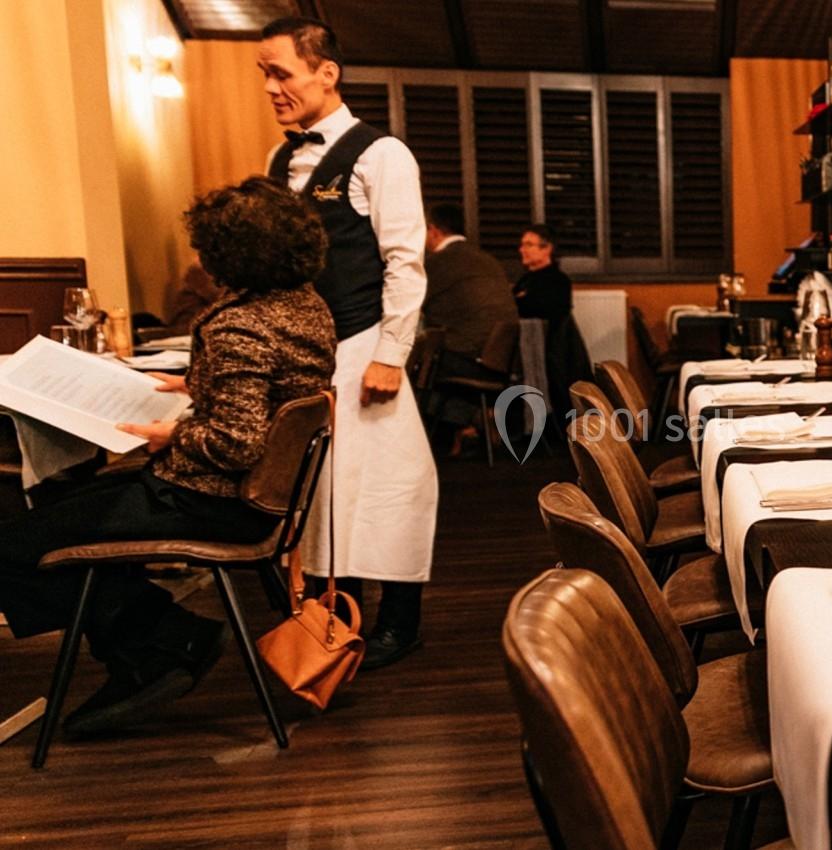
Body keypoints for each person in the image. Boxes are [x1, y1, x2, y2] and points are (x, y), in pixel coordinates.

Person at [0, 177, 337, 735]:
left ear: (230, 253)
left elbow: (236, 442)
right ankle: (155, 636)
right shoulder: (304, 304)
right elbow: (271, 389)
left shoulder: (240, 325)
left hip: (210, 499)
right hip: (240, 496)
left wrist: (168, 437)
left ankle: (162, 640)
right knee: (63, 506)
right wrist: (194, 383)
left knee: (14, 547)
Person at [259, 16, 437, 669]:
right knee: (324, 490)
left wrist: (391, 354)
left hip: (362, 344)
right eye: (265, 76)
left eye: (282, 72)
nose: (272, 87)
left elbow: (404, 262)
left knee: (388, 487)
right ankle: (335, 614)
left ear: (325, 72)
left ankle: (401, 620)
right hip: (302, 353)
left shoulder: (380, 154)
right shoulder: (279, 159)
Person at [421, 202, 517, 453]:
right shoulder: (488, 260)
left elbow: (411, 304)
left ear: (433, 230)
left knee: (417, 364)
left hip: (468, 360)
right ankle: (473, 419)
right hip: (501, 361)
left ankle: (438, 438)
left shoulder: (437, 264)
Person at [512, 224, 590, 425]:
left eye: (529, 244)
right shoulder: (526, 280)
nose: (522, 249)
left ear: (547, 249)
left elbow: (533, 310)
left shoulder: (558, 281)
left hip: (551, 356)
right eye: (522, 245)